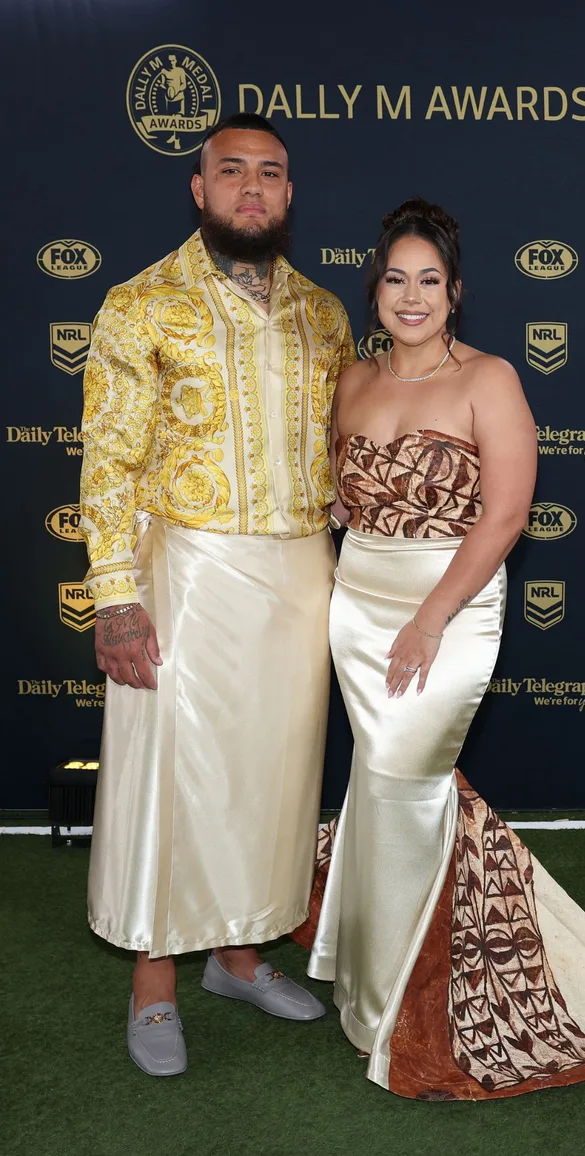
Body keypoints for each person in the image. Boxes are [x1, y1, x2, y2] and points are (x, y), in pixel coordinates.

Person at [294, 197, 585, 1100]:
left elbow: (505, 517)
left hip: (446, 610)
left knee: (407, 786)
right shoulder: (352, 378)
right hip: (356, 601)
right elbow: (341, 492)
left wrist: (429, 619)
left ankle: (404, 1010)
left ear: (456, 293)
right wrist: (345, 512)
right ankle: (368, 976)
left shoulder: (489, 378)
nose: (411, 297)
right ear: (373, 290)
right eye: (395, 279)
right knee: (378, 786)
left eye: (430, 281)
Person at [79, 112, 355, 1076]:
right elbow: (108, 461)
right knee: (172, 778)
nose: (251, 188)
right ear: (198, 190)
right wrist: (116, 596)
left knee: (274, 777)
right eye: (230, 171)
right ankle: (155, 981)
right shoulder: (141, 304)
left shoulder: (325, 313)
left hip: (300, 574)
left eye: (270, 173)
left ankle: (239, 955)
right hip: (187, 570)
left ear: (288, 194)